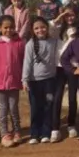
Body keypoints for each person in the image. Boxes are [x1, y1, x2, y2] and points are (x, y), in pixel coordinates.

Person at [0, 15, 26, 148]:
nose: (8, 30)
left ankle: (17, 131)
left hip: (15, 80)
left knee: (14, 108)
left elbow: (22, 60)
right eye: (5, 27)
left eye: (11, 27)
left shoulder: (20, 43)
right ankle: (4, 134)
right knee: (2, 109)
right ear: (0, 28)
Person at [23, 16, 60, 144]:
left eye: (43, 27)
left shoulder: (53, 41)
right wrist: (25, 80)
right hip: (34, 82)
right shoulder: (30, 44)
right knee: (35, 107)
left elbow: (56, 25)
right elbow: (27, 63)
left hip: (49, 81)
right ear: (32, 30)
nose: (40, 30)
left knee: (48, 106)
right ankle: (34, 134)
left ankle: (45, 133)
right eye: (36, 28)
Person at [55, 7, 79, 138]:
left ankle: (71, 124)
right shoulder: (58, 29)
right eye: (67, 15)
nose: (70, 18)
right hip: (59, 67)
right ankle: (55, 127)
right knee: (57, 97)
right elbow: (49, 25)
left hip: (73, 67)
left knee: (72, 97)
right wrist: (60, 17)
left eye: (72, 15)